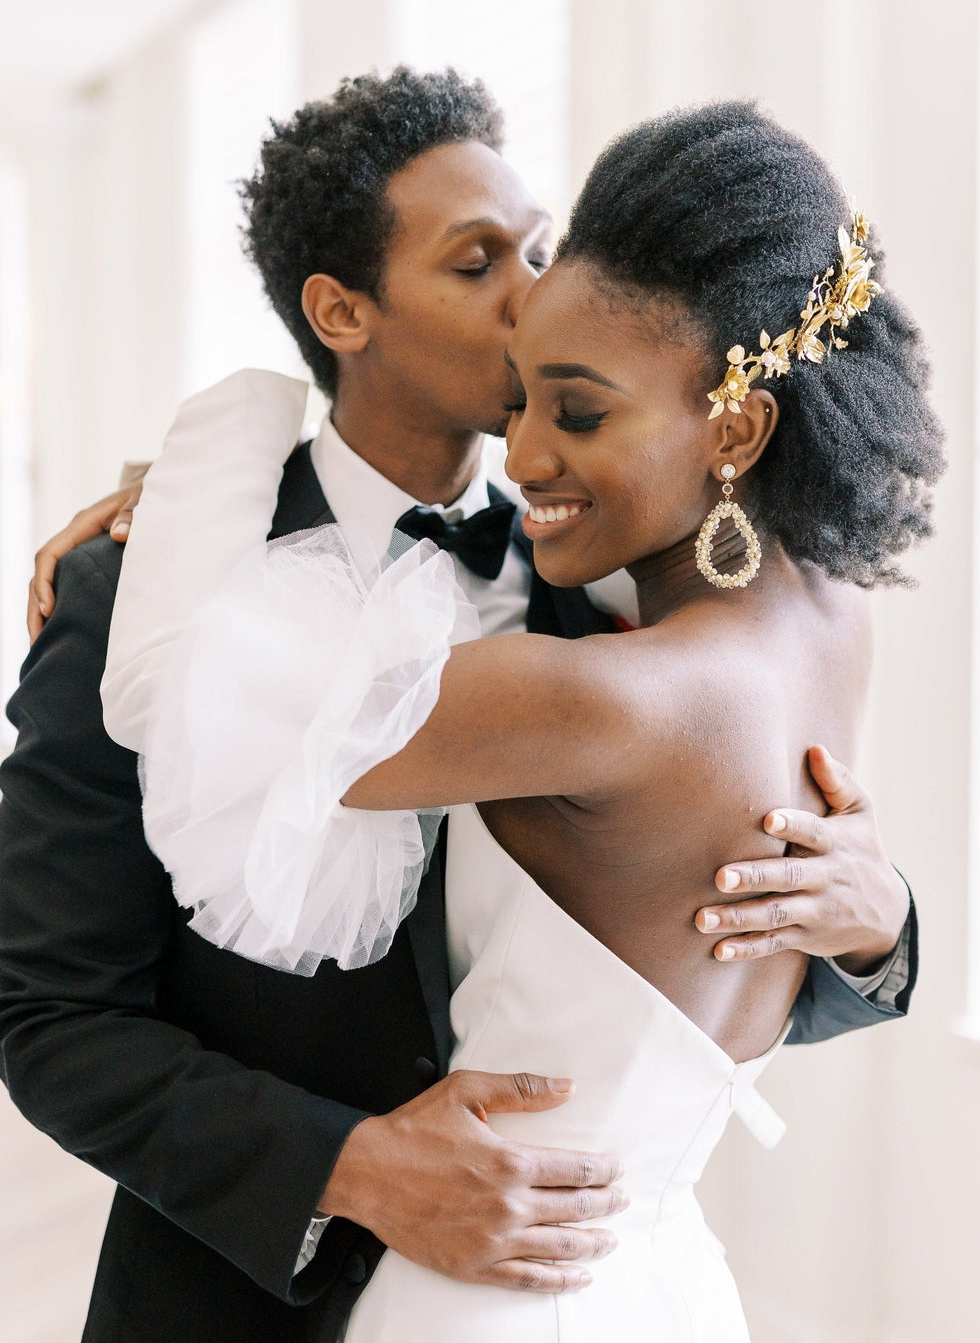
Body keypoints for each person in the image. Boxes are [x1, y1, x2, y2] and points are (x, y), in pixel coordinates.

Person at [0, 71, 916, 1343]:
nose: (534, 291)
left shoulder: (607, 597)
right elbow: (48, 1019)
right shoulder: (127, 593)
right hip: (234, 1304)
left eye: (539, 248)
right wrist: (349, 1167)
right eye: (478, 261)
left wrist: (875, 932)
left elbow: (683, 963)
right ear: (342, 310)